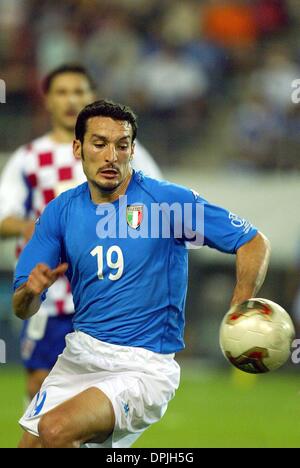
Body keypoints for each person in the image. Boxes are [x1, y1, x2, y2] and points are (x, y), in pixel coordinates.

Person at [13, 100, 270, 448]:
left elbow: (252, 241)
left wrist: (240, 304)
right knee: (32, 445)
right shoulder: (60, 212)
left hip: (143, 366)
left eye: (121, 145)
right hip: (80, 354)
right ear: (78, 147)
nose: (110, 156)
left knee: (56, 431)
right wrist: (31, 291)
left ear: (132, 150)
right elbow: (22, 307)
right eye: (99, 143)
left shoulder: (167, 203)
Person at [0, 65, 162, 401]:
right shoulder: (30, 158)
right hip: (50, 297)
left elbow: (155, 205)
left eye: (79, 91)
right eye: (62, 92)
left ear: (91, 97)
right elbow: (3, 219)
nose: (71, 99)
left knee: (103, 394)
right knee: (41, 390)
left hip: (110, 293)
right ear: (47, 101)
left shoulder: (126, 149)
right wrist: (31, 227)